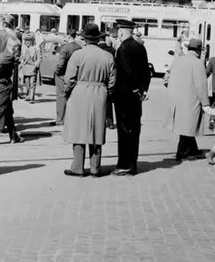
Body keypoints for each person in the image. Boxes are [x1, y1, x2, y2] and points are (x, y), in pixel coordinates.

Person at [63, 23, 116, 177]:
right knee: (97, 131)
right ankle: (95, 168)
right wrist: (106, 92)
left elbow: (69, 78)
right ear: (98, 39)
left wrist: (68, 92)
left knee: (78, 130)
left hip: (80, 92)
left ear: (85, 39)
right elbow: (112, 81)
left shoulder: (78, 55)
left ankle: (77, 167)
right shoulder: (108, 56)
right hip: (100, 93)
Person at [113, 19, 151, 176]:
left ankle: (125, 164)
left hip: (125, 96)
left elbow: (126, 72)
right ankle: (132, 163)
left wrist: (134, 88)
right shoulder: (140, 47)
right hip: (136, 96)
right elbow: (147, 71)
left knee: (124, 131)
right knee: (135, 130)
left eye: (118, 31)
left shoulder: (123, 48)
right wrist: (142, 90)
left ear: (122, 31)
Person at [166, 38, 210, 162]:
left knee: (186, 126)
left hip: (177, 99)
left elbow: (167, 78)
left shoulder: (178, 60)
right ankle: (182, 153)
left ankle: (193, 150)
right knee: (188, 127)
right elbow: (201, 86)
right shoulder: (198, 63)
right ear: (198, 50)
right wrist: (205, 103)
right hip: (191, 100)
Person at [54, 29, 82, 125]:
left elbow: (61, 63)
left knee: (61, 96)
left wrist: (56, 71)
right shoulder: (79, 47)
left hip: (63, 74)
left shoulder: (64, 48)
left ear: (69, 36)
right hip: (75, 74)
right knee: (72, 96)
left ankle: (60, 119)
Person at [98, 34, 116, 129]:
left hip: (99, 78)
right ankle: (110, 122)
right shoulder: (112, 50)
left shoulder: (97, 49)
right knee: (108, 102)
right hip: (108, 78)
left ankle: (100, 122)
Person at [19, 33, 41, 102]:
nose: (27, 42)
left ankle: (32, 98)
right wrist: (22, 61)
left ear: (32, 41)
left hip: (32, 67)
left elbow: (39, 59)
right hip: (26, 68)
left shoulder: (36, 48)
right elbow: (22, 57)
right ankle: (28, 95)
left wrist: (35, 65)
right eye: (26, 40)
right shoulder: (24, 49)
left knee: (32, 83)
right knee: (27, 84)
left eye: (29, 40)